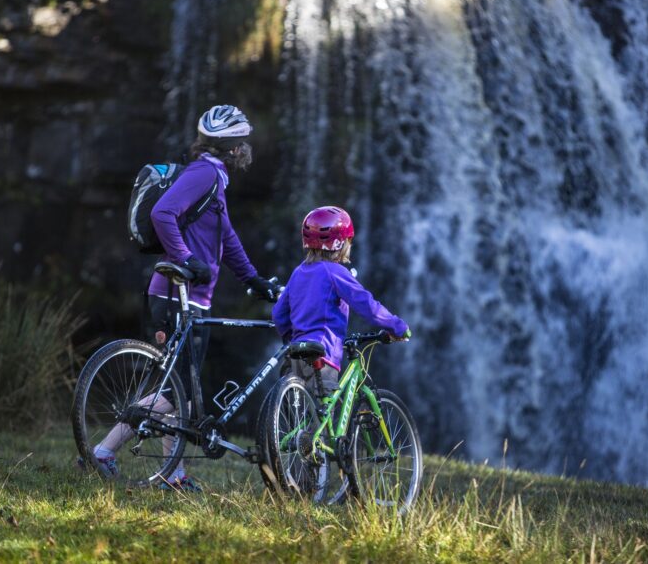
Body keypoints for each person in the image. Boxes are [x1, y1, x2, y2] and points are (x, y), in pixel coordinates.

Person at [86, 104, 280, 491]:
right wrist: (186, 259)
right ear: (231, 147)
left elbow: (227, 239)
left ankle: (170, 475)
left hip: (192, 300)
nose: (248, 148)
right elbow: (162, 213)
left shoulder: (215, 179)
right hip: (175, 296)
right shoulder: (205, 173)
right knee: (176, 395)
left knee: (175, 392)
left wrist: (254, 279)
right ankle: (105, 455)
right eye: (243, 141)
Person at [272, 206, 411, 398]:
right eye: (349, 240)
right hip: (323, 354)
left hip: (297, 352)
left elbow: (279, 313)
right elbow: (366, 305)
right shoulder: (335, 272)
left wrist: (293, 337)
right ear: (340, 243)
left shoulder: (299, 272)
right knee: (323, 417)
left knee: (303, 411)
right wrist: (396, 326)